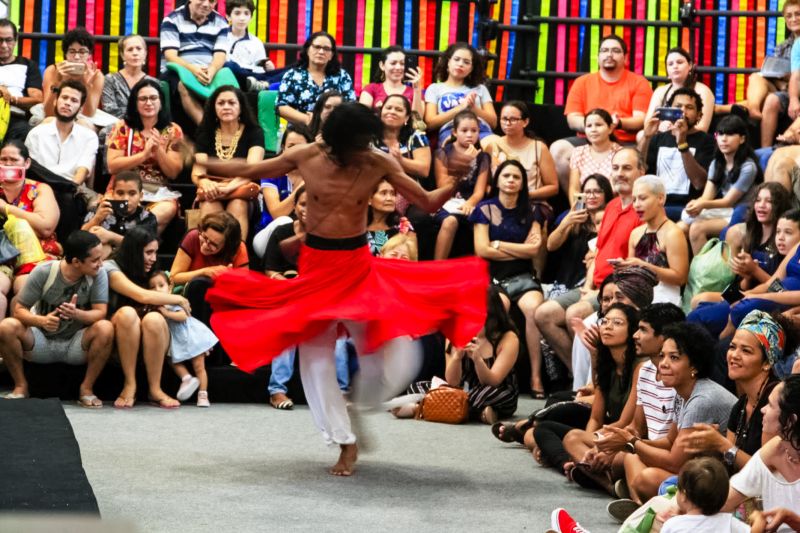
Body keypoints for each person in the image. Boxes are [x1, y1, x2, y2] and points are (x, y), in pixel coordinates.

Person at [202, 101, 489, 476]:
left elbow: (429, 202)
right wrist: (204, 162)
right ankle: (344, 441)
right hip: (316, 269)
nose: (359, 152)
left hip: (357, 267)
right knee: (315, 358)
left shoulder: (377, 161)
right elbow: (252, 169)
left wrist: (455, 179)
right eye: (352, 146)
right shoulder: (308, 155)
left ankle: (362, 406)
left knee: (396, 351)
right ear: (336, 142)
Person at [605, 323, 737, 522]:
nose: (663, 363)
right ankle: (645, 509)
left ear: (694, 366)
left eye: (674, 357)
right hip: (697, 471)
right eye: (662, 355)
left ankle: (646, 511)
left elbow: (675, 463)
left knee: (645, 477)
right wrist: (624, 442)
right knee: (631, 458)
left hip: (718, 484)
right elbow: (669, 441)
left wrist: (632, 442)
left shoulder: (702, 399)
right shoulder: (682, 391)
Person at [535, 148, 644, 370]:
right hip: (594, 284)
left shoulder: (642, 209)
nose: (620, 173)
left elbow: (635, 267)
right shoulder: (612, 207)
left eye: (627, 168)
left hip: (618, 288)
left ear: (641, 172)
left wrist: (601, 292)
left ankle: (595, 380)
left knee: (574, 314)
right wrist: (587, 286)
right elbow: (599, 251)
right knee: (543, 314)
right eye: (615, 168)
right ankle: (577, 375)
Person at [0, 231, 113, 406]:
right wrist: (42, 321)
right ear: (76, 261)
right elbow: (19, 310)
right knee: (7, 326)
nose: (100, 264)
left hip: (75, 343)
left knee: (105, 327)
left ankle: (86, 389)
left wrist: (77, 314)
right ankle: (21, 386)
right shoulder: (44, 272)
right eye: (95, 260)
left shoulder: (99, 274)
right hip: (41, 340)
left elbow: (100, 312)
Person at [533, 303, 640, 479]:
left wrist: (592, 442)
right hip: (606, 430)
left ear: (632, 331)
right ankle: (570, 463)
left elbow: (624, 423)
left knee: (570, 437)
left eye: (617, 323)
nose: (608, 327)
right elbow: (596, 417)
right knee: (540, 430)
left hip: (622, 434)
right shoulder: (607, 364)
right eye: (605, 322)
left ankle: (579, 465)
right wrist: (590, 439)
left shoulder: (639, 367)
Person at [471, 160, 546, 396]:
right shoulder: (484, 209)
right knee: (497, 307)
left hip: (523, 275)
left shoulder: (533, 210)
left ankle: (535, 376)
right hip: (492, 277)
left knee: (535, 309)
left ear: (523, 183)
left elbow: (534, 250)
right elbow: (482, 250)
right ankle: (491, 373)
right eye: (506, 176)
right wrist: (519, 248)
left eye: (516, 176)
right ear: (498, 180)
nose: (511, 180)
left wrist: (499, 244)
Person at [395, 286, 518, 423]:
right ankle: (476, 413)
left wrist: (478, 360)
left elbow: (492, 382)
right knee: (417, 386)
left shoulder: (508, 338)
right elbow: (452, 381)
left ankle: (422, 408)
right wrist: (457, 357)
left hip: (495, 391)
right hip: (461, 389)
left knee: (486, 394)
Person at [550, 34, 653, 193]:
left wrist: (617, 124)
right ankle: (576, 202)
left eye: (615, 51)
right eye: (604, 50)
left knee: (642, 137)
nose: (609, 55)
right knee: (558, 148)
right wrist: (596, 126)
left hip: (625, 143)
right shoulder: (582, 82)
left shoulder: (639, 82)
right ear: (598, 57)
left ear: (625, 58)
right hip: (587, 141)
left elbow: (641, 120)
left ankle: (622, 205)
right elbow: (572, 119)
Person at [682, 310, 784, 471]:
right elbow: (730, 463)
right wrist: (710, 448)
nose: (734, 355)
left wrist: (721, 444)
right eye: (732, 347)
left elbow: (767, 473)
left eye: (746, 351)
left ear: (767, 362)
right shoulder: (740, 405)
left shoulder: (775, 402)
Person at [688, 185, 793, 336]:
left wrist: (755, 270)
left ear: (779, 206)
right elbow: (742, 285)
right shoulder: (752, 235)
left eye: (769, 201)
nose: (761, 205)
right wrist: (746, 275)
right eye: (758, 200)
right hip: (746, 292)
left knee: (701, 313)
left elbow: (779, 288)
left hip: (763, 298)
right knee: (697, 301)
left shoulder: (783, 242)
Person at [105, 227, 191, 409]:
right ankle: (130, 383)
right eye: (148, 252)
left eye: (155, 252)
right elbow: (142, 296)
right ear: (134, 251)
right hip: (117, 338)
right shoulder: (110, 268)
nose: (153, 258)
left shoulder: (151, 270)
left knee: (154, 318)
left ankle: (155, 388)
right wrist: (177, 297)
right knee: (127, 313)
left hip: (151, 339)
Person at [105, 78, 184, 234]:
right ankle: (136, 242)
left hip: (158, 192)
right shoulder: (123, 127)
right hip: (124, 190)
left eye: (153, 98)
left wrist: (159, 151)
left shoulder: (173, 130)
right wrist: (144, 154)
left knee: (167, 209)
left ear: (161, 102)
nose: (148, 103)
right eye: (143, 99)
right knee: (109, 210)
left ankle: (128, 237)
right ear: (135, 103)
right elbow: (112, 166)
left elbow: (174, 172)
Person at [723, 374, 800, 533]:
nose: (763, 410)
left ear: (791, 420)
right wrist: (686, 510)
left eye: (771, 406)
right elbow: (727, 500)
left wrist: (791, 520)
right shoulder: (774, 450)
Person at [680, 115, 762, 254]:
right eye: (720, 134)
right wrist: (696, 204)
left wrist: (702, 205)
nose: (723, 139)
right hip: (723, 211)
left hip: (741, 213)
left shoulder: (749, 166)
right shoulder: (717, 163)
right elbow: (707, 196)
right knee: (680, 227)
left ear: (742, 139)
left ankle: (704, 273)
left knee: (696, 228)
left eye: (730, 134)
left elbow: (728, 201)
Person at [192, 85, 265, 238]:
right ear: (214, 108)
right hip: (212, 189)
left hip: (241, 189)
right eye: (221, 103)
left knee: (238, 204)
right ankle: (210, 257)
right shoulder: (205, 132)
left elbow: (252, 170)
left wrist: (228, 188)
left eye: (232, 103)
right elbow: (198, 172)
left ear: (241, 108)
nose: (226, 107)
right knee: (209, 204)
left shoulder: (254, 132)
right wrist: (205, 183)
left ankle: (238, 259)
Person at [639, 87, 717, 221]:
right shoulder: (658, 138)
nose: (683, 111)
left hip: (688, 209)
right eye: (678, 106)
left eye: (689, 107)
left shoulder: (708, 141)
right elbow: (638, 171)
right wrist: (646, 137)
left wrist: (682, 143)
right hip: (655, 204)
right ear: (669, 110)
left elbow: (699, 183)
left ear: (699, 115)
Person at [170, 211, 248, 336]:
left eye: (214, 245)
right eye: (205, 237)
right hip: (192, 301)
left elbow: (244, 288)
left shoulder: (238, 248)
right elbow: (174, 277)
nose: (205, 245)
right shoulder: (193, 237)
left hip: (222, 304)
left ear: (226, 246)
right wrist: (206, 272)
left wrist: (231, 277)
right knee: (199, 284)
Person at [0, 140, 61, 299]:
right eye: (3, 159)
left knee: (25, 288)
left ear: (26, 163)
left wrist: (6, 208)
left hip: (36, 252)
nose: (8, 164)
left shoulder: (39, 189)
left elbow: (46, 226)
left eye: (14, 160)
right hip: (1, 253)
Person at [147, 270, 218, 408]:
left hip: (191, 337)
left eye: (161, 285)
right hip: (176, 340)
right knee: (171, 360)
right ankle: (186, 378)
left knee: (199, 366)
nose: (157, 290)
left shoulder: (173, 301)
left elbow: (183, 316)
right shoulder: (154, 307)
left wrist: (166, 313)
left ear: (170, 287)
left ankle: (203, 394)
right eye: (152, 287)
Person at [374, 94, 433, 256]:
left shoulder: (416, 137)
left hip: (407, 192)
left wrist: (400, 160)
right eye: (388, 108)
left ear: (407, 117)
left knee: (421, 218)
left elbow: (424, 169)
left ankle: (409, 263)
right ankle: (378, 255)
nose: (392, 112)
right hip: (374, 190)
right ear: (381, 112)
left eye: (398, 109)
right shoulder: (370, 136)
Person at [618, 176, 689, 304]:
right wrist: (623, 267)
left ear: (660, 199)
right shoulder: (635, 233)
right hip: (636, 294)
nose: (637, 205)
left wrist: (644, 266)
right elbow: (631, 275)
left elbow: (680, 278)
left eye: (643, 198)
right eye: (634, 200)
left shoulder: (673, 233)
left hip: (665, 298)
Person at [159, 0, 231, 126]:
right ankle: (207, 130)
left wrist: (212, 70)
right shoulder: (172, 20)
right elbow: (171, 56)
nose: (206, 4)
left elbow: (220, 54)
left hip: (209, 71)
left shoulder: (221, 22)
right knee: (184, 84)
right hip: (179, 69)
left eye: (212, 1)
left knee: (231, 86)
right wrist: (194, 71)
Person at [432, 110, 490, 259]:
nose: (469, 135)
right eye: (464, 130)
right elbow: (443, 186)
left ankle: (480, 273)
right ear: (455, 132)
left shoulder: (483, 157)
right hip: (448, 201)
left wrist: (470, 204)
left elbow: (479, 191)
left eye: (474, 131)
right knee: (450, 221)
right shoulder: (443, 153)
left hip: (471, 202)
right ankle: (437, 268)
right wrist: (465, 162)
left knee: (481, 222)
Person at [25, 80, 99, 190]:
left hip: (71, 189)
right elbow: (33, 170)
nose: (68, 103)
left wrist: (70, 188)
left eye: (74, 100)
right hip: (41, 189)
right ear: (55, 101)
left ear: (80, 109)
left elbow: (83, 170)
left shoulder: (89, 137)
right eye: (64, 98)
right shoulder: (37, 133)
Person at [276, 31, 356, 126]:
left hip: (334, 130)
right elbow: (281, 107)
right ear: (307, 50)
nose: (321, 52)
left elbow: (351, 106)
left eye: (326, 49)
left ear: (331, 55)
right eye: (317, 47)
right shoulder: (292, 75)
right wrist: (308, 120)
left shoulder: (342, 76)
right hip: (300, 130)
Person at [424, 42, 497, 145]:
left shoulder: (481, 89)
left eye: (466, 62)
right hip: (451, 131)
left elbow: (493, 123)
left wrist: (473, 108)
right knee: (455, 147)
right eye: (456, 59)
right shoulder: (434, 88)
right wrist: (461, 107)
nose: (460, 64)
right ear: (448, 62)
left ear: (472, 69)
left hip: (481, 130)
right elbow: (430, 124)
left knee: (495, 145)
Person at [82, 170, 158, 256]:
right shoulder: (101, 209)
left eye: (132, 194)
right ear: (112, 193)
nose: (125, 198)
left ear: (140, 196)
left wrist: (111, 237)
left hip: (131, 262)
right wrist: (97, 219)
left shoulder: (147, 217)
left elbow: (145, 247)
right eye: (120, 193)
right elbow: (80, 239)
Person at [642, 47, 715, 134]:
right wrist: (658, 126)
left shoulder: (703, 91)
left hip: (691, 137)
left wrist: (674, 130)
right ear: (667, 71)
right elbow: (647, 123)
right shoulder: (660, 91)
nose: (675, 66)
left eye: (679, 62)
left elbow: (702, 127)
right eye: (670, 64)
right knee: (641, 135)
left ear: (690, 65)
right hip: (662, 136)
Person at [40, 27, 104, 122]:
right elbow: (48, 113)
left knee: (83, 124)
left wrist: (87, 85)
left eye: (82, 52)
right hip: (56, 116)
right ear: (65, 54)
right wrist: (57, 83)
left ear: (89, 54)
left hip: (84, 118)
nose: (77, 57)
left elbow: (89, 114)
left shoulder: (96, 75)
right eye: (72, 51)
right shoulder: (53, 70)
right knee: (48, 121)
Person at [0, 18, 43, 141]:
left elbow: (37, 99)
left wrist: (12, 99)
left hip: (16, 118)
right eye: (0, 40)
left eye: (8, 40)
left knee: (24, 132)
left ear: (15, 41)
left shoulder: (28, 65)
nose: (3, 45)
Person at [567, 108, 621, 205]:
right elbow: (574, 188)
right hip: (585, 207)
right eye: (589, 126)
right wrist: (579, 210)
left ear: (610, 128)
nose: (593, 130)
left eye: (598, 125)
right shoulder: (578, 152)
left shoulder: (620, 153)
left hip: (612, 207)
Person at [101, 34, 157, 120]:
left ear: (145, 53)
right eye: (130, 50)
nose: (135, 53)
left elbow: (157, 110)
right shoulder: (110, 79)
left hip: (147, 125)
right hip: (117, 125)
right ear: (122, 55)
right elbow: (109, 110)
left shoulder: (154, 83)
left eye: (139, 49)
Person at [223, 0, 276, 91]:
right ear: (228, 17)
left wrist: (270, 69)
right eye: (237, 13)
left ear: (251, 18)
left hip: (252, 77)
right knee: (229, 65)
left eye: (246, 14)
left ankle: (263, 83)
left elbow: (259, 70)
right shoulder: (220, 36)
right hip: (229, 75)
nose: (242, 18)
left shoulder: (256, 42)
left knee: (290, 70)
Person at [359, 45, 423, 117]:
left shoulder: (414, 92)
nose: (398, 67)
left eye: (402, 63)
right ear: (382, 65)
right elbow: (362, 118)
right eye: (393, 63)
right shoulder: (371, 89)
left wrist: (417, 91)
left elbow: (418, 121)